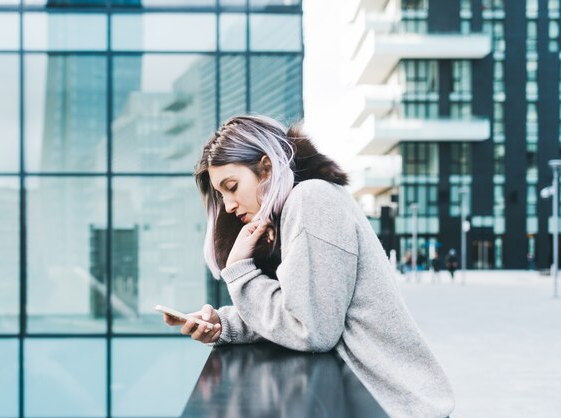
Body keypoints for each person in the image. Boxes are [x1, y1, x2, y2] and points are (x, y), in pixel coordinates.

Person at [163, 115, 455, 418]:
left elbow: (311, 329)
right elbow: (305, 308)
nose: (229, 205)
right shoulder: (298, 207)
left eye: (232, 186)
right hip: (372, 399)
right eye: (221, 195)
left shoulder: (312, 199)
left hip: (392, 404)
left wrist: (241, 271)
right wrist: (226, 326)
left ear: (266, 168)